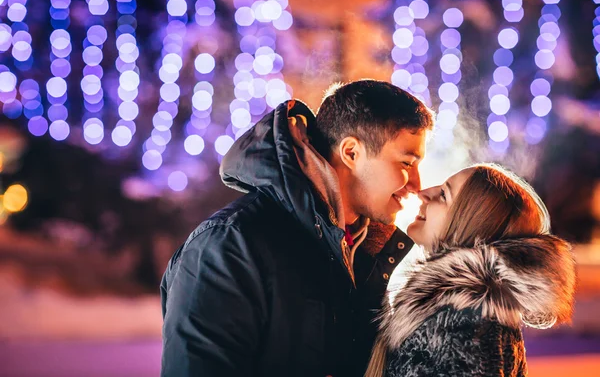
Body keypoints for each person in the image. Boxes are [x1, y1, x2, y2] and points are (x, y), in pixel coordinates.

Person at [160, 80, 436, 376]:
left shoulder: (365, 250)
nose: (417, 185)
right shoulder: (230, 244)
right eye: (407, 163)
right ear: (351, 153)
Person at [366, 164, 576, 377]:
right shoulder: (461, 312)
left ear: (469, 225)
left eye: (443, 195)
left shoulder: (468, 325)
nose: (423, 194)